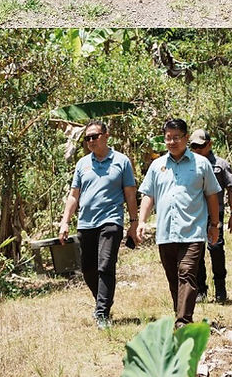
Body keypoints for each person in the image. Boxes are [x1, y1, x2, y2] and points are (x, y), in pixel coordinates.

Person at [136, 118, 220, 328]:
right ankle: (180, 313)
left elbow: (211, 195)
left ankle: (183, 321)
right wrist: (141, 221)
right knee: (174, 278)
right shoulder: (157, 166)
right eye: (168, 138)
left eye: (176, 137)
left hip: (192, 231)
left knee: (187, 273)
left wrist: (214, 225)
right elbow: (148, 195)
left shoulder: (201, 164)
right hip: (165, 233)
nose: (172, 142)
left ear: (185, 138)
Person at [57, 120, 139, 328]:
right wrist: (65, 222)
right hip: (86, 223)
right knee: (88, 269)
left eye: (95, 136)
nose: (91, 141)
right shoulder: (82, 164)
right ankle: (102, 301)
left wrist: (133, 222)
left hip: (111, 220)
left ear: (106, 136)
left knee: (105, 266)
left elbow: (130, 194)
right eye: (87, 138)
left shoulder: (121, 161)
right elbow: (74, 195)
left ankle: (102, 313)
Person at [188, 129, 232, 304]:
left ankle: (220, 289)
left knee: (216, 249)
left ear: (209, 144)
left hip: (215, 214)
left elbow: (231, 189)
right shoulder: (189, 164)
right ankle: (201, 290)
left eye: (201, 146)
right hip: (194, 215)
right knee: (197, 252)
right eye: (194, 146)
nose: (198, 150)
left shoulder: (221, 164)